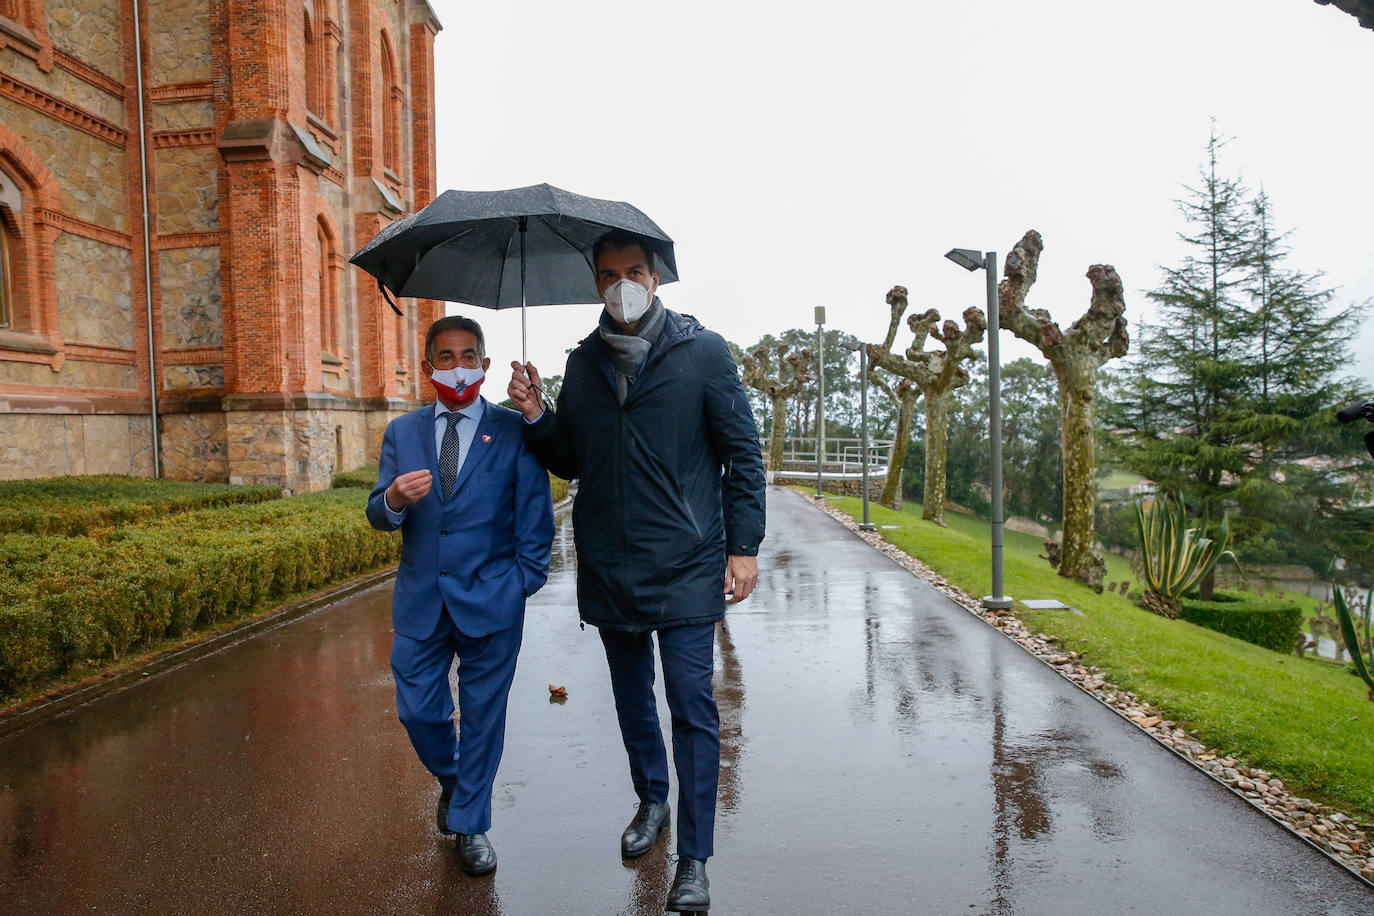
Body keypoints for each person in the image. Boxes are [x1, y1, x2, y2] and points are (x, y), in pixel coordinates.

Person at [507, 229, 765, 913]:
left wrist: (745, 546)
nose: (622, 282)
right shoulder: (582, 363)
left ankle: (695, 859)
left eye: (634, 271)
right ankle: (651, 801)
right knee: (631, 701)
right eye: (609, 273)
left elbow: (743, 452)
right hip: (611, 564)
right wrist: (537, 415)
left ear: (655, 279)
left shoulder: (702, 351)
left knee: (692, 705)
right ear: (596, 283)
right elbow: (572, 457)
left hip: (686, 561)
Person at [367, 315, 553, 876]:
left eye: (469, 356)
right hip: (421, 600)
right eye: (446, 357)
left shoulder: (515, 429)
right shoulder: (403, 433)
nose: (458, 367)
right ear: (429, 368)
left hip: (493, 601)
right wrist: (395, 499)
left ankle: (471, 824)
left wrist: (521, 583)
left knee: (482, 718)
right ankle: (456, 783)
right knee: (418, 711)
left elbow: (536, 523)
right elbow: (378, 515)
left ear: (487, 365)